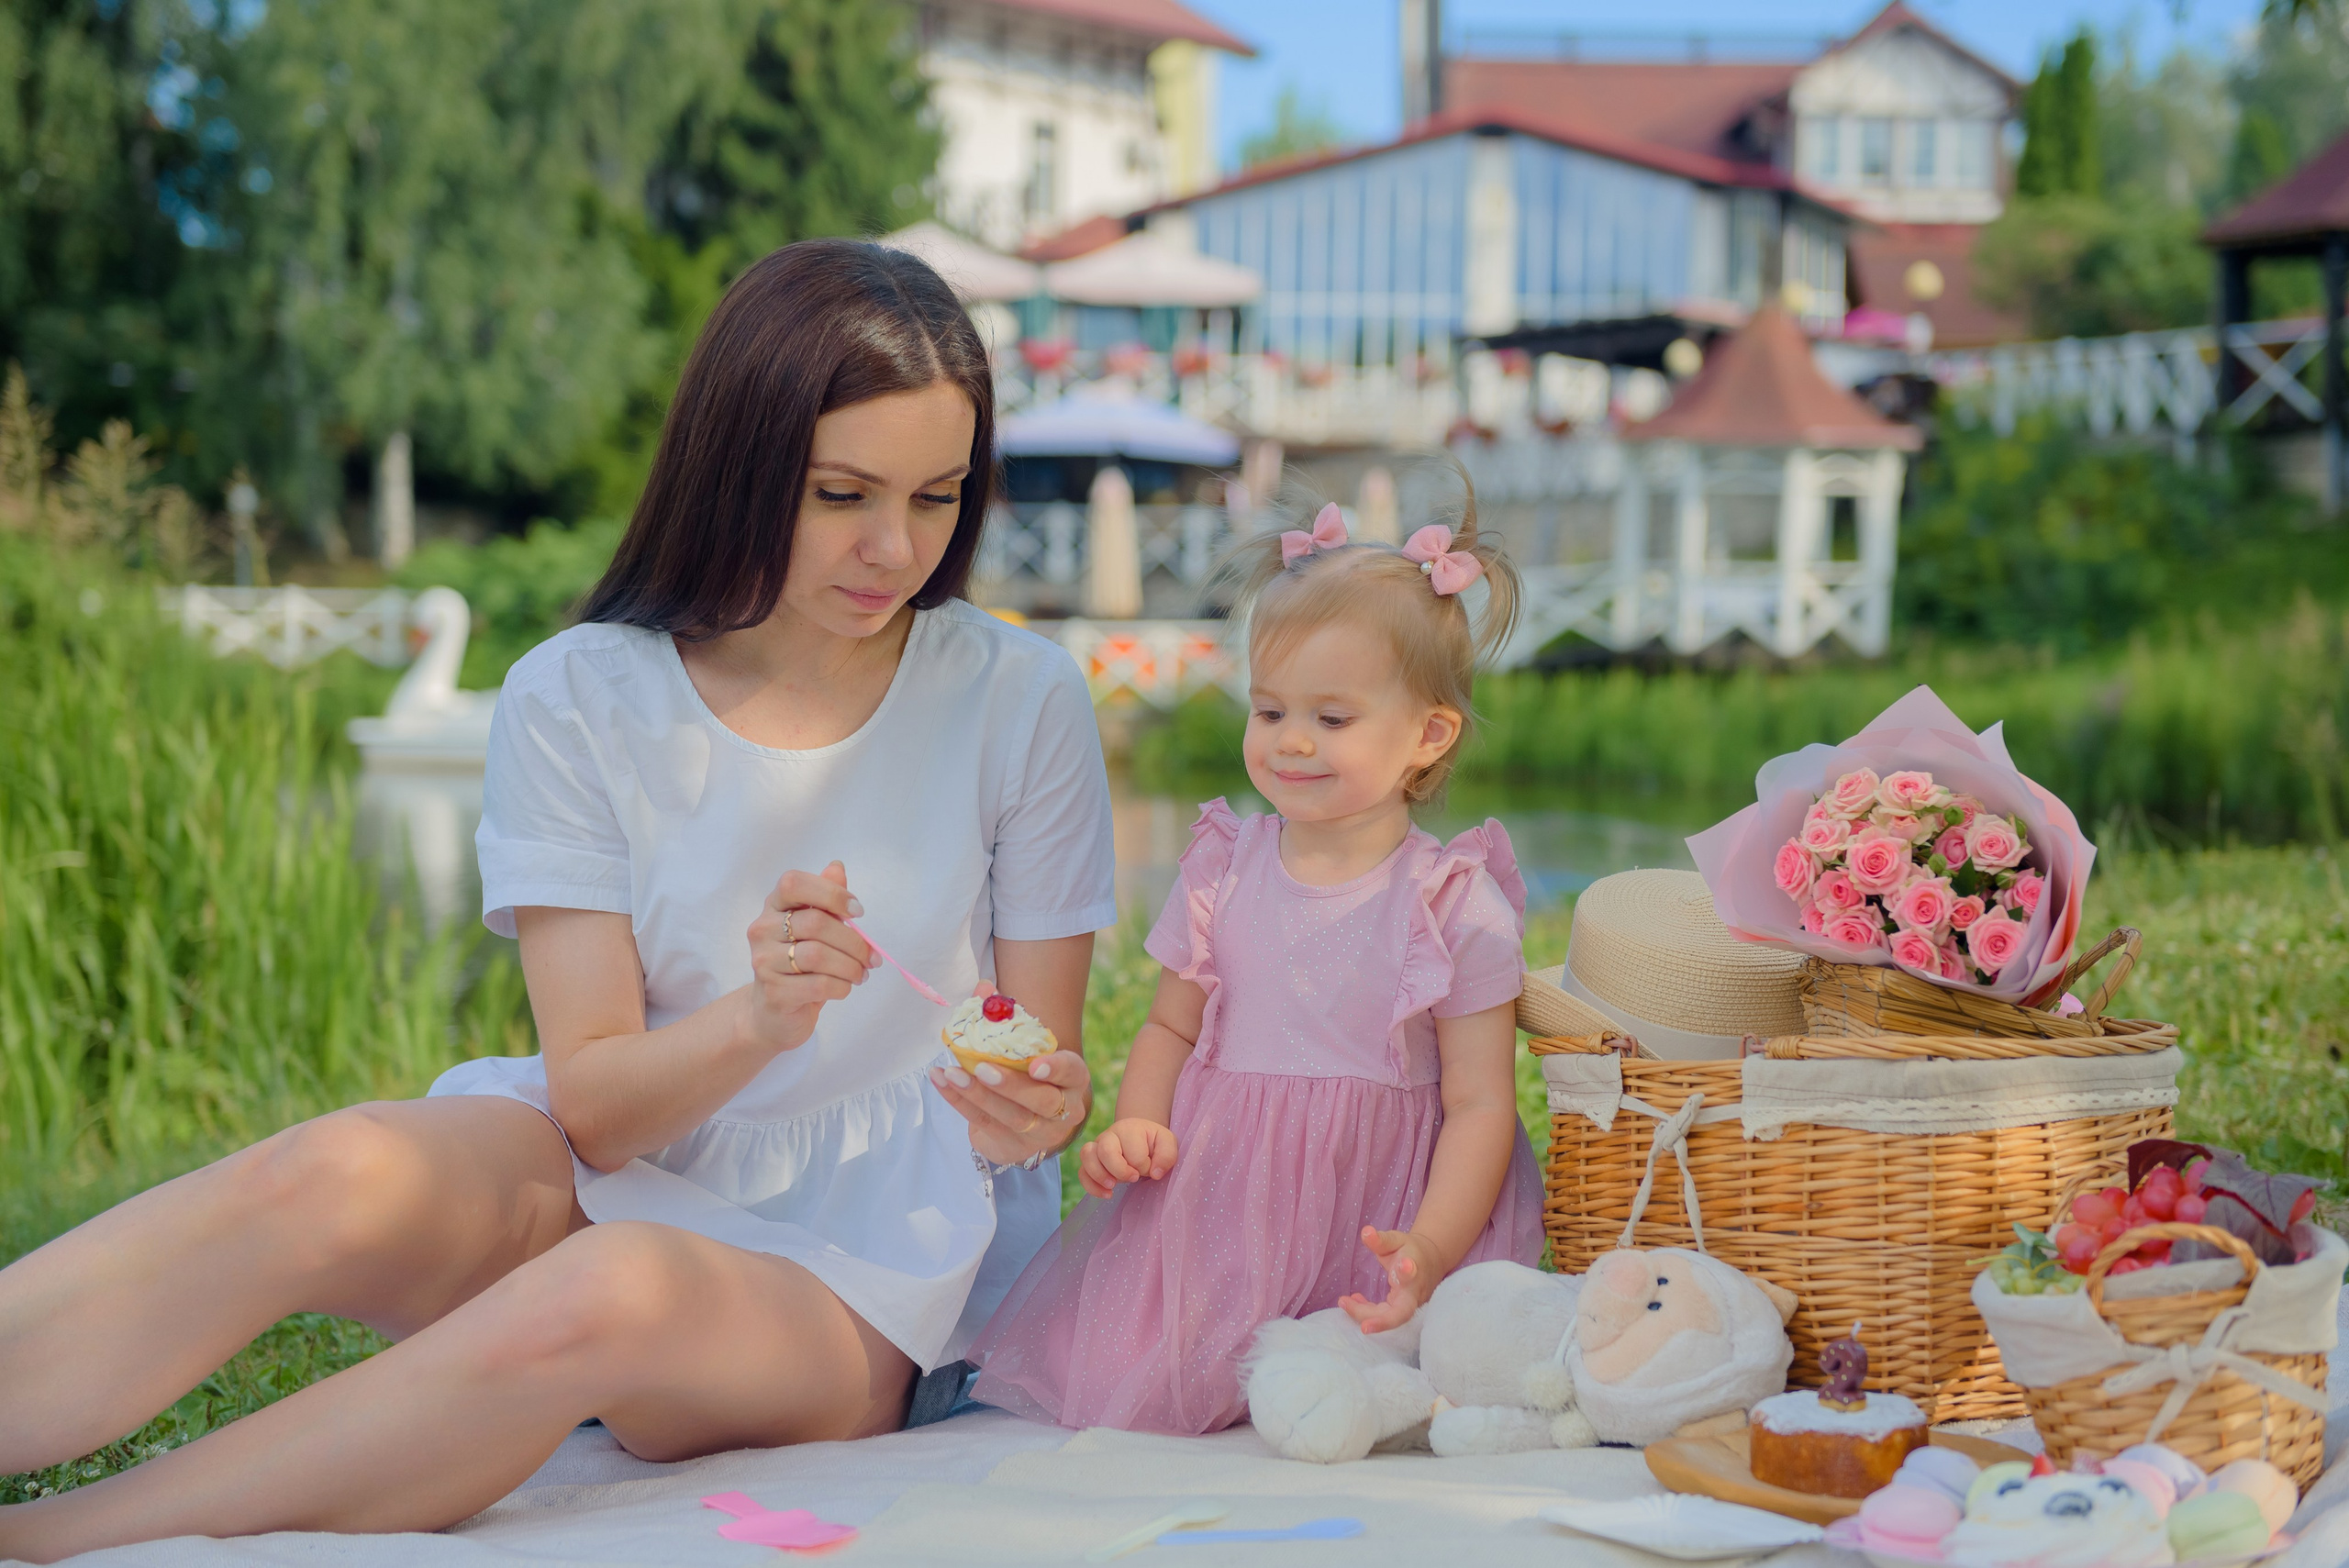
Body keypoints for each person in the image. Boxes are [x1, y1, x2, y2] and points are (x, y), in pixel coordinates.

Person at [0, 240, 1113, 1561]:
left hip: (877, 1281)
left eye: (938, 496)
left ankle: (48, 1542)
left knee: (610, 1286)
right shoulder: (579, 693)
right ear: (740, 463)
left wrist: (1039, 1104)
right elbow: (593, 1111)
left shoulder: (1020, 699)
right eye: (841, 494)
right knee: (333, 1169)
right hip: (622, 1162)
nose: (897, 548)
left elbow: (1030, 1085)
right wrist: (760, 1018)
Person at [968, 498, 1545, 1436]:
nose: (1291, 739)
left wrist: (1432, 1246)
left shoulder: (1450, 901)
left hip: (1382, 1206)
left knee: (1392, 1368)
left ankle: (1360, 1357)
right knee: (1138, 1376)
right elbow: (1170, 1025)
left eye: (1332, 716)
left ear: (1429, 735)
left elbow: (1481, 1101)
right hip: (1223, 1205)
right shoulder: (1223, 869)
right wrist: (1139, 1120)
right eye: (1269, 708)